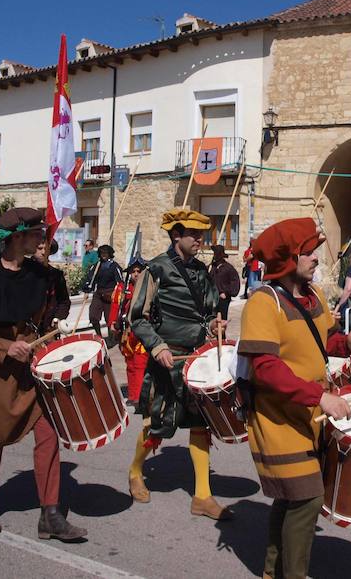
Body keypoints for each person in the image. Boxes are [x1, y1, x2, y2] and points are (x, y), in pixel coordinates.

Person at [238, 217, 351, 579]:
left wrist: (349, 343)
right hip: (277, 415)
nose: (316, 258)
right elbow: (265, 367)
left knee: (293, 496)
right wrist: (319, 397)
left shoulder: (314, 296)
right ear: (288, 258)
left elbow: (323, 342)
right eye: (308, 252)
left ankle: (272, 571)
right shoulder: (263, 302)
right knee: (308, 497)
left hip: (309, 411)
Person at [0, 207, 86, 540]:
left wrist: (55, 337)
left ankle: (50, 515)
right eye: (37, 234)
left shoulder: (41, 277)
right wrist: (3, 347)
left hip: (36, 369)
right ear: (17, 238)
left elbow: (45, 319)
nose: (43, 239)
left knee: (49, 437)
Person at [127, 208, 229, 518]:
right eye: (193, 234)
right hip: (167, 357)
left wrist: (214, 326)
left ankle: (202, 496)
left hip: (196, 358)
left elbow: (210, 312)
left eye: (202, 233)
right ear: (176, 236)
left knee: (200, 422)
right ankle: (135, 472)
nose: (201, 239)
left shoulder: (202, 271)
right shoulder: (155, 269)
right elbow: (137, 318)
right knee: (159, 421)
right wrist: (156, 347)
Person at [109, 257, 149, 407]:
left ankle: (138, 396)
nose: (136, 274)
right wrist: (113, 323)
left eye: (139, 271)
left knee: (140, 363)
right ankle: (133, 395)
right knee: (130, 363)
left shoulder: (148, 288)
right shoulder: (121, 288)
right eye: (134, 271)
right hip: (126, 332)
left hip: (142, 332)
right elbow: (115, 306)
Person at [82, 244, 123, 342]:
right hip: (99, 294)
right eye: (102, 253)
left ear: (109, 254)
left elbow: (120, 282)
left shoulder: (114, 266)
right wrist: (87, 289)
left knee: (110, 318)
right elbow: (90, 279)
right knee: (93, 315)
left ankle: (111, 338)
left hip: (110, 295)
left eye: (105, 253)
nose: (104, 255)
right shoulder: (96, 266)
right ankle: (99, 336)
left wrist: (118, 294)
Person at [34, 239, 71, 334]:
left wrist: (57, 318)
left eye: (46, 249)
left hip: (48, 329)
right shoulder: (24, 272)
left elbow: (64, 301)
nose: (43, 252)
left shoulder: (56, 275)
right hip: (26, 332)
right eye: (40, 248)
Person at [209, 244, 240, 320]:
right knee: (212, 318)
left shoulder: (228, 268)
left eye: (216, 254)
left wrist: (226, 292)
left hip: (223, 298)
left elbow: (235, 282)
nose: (214, 256)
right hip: (213, 297)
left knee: (222, 319)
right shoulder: (213, 266)